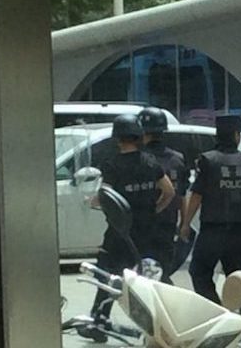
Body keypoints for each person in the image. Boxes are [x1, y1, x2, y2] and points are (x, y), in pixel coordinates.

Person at [78, 114, 175, 343]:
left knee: (108, 275)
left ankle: (99, 321)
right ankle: (163, 328)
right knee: (149, 280)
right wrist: (154, 210)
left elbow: (104, 197)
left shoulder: (112, 165)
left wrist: (93, 201)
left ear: (118, 138)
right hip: (147, 232)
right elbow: (169, 191)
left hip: (119, 234)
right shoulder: (151, 162)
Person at [180, 115, 241, 304]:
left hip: (213, 230)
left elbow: (197, 195)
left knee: (199, 272)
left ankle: (215, 310)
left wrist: (185, 224)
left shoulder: (208, 160)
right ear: (236, 136)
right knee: (240, 278)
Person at [138, 107, 189, 283]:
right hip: (169, 224)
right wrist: (184, 223)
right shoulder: (177, 159)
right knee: (162, 270)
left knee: (145, 275)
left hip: (143, 226)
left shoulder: (141, 159)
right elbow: (181, 196)